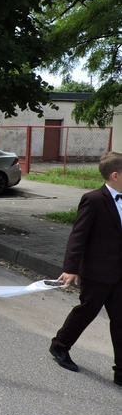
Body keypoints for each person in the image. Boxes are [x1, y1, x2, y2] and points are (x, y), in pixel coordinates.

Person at [49, 151, 122, 387]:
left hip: (120, 272)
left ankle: (121, 371)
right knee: (87, 312)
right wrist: (71, 268)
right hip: (97, 271)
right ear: (115, 175)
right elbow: (78, 236)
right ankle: (59, 345)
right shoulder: (93, 200)